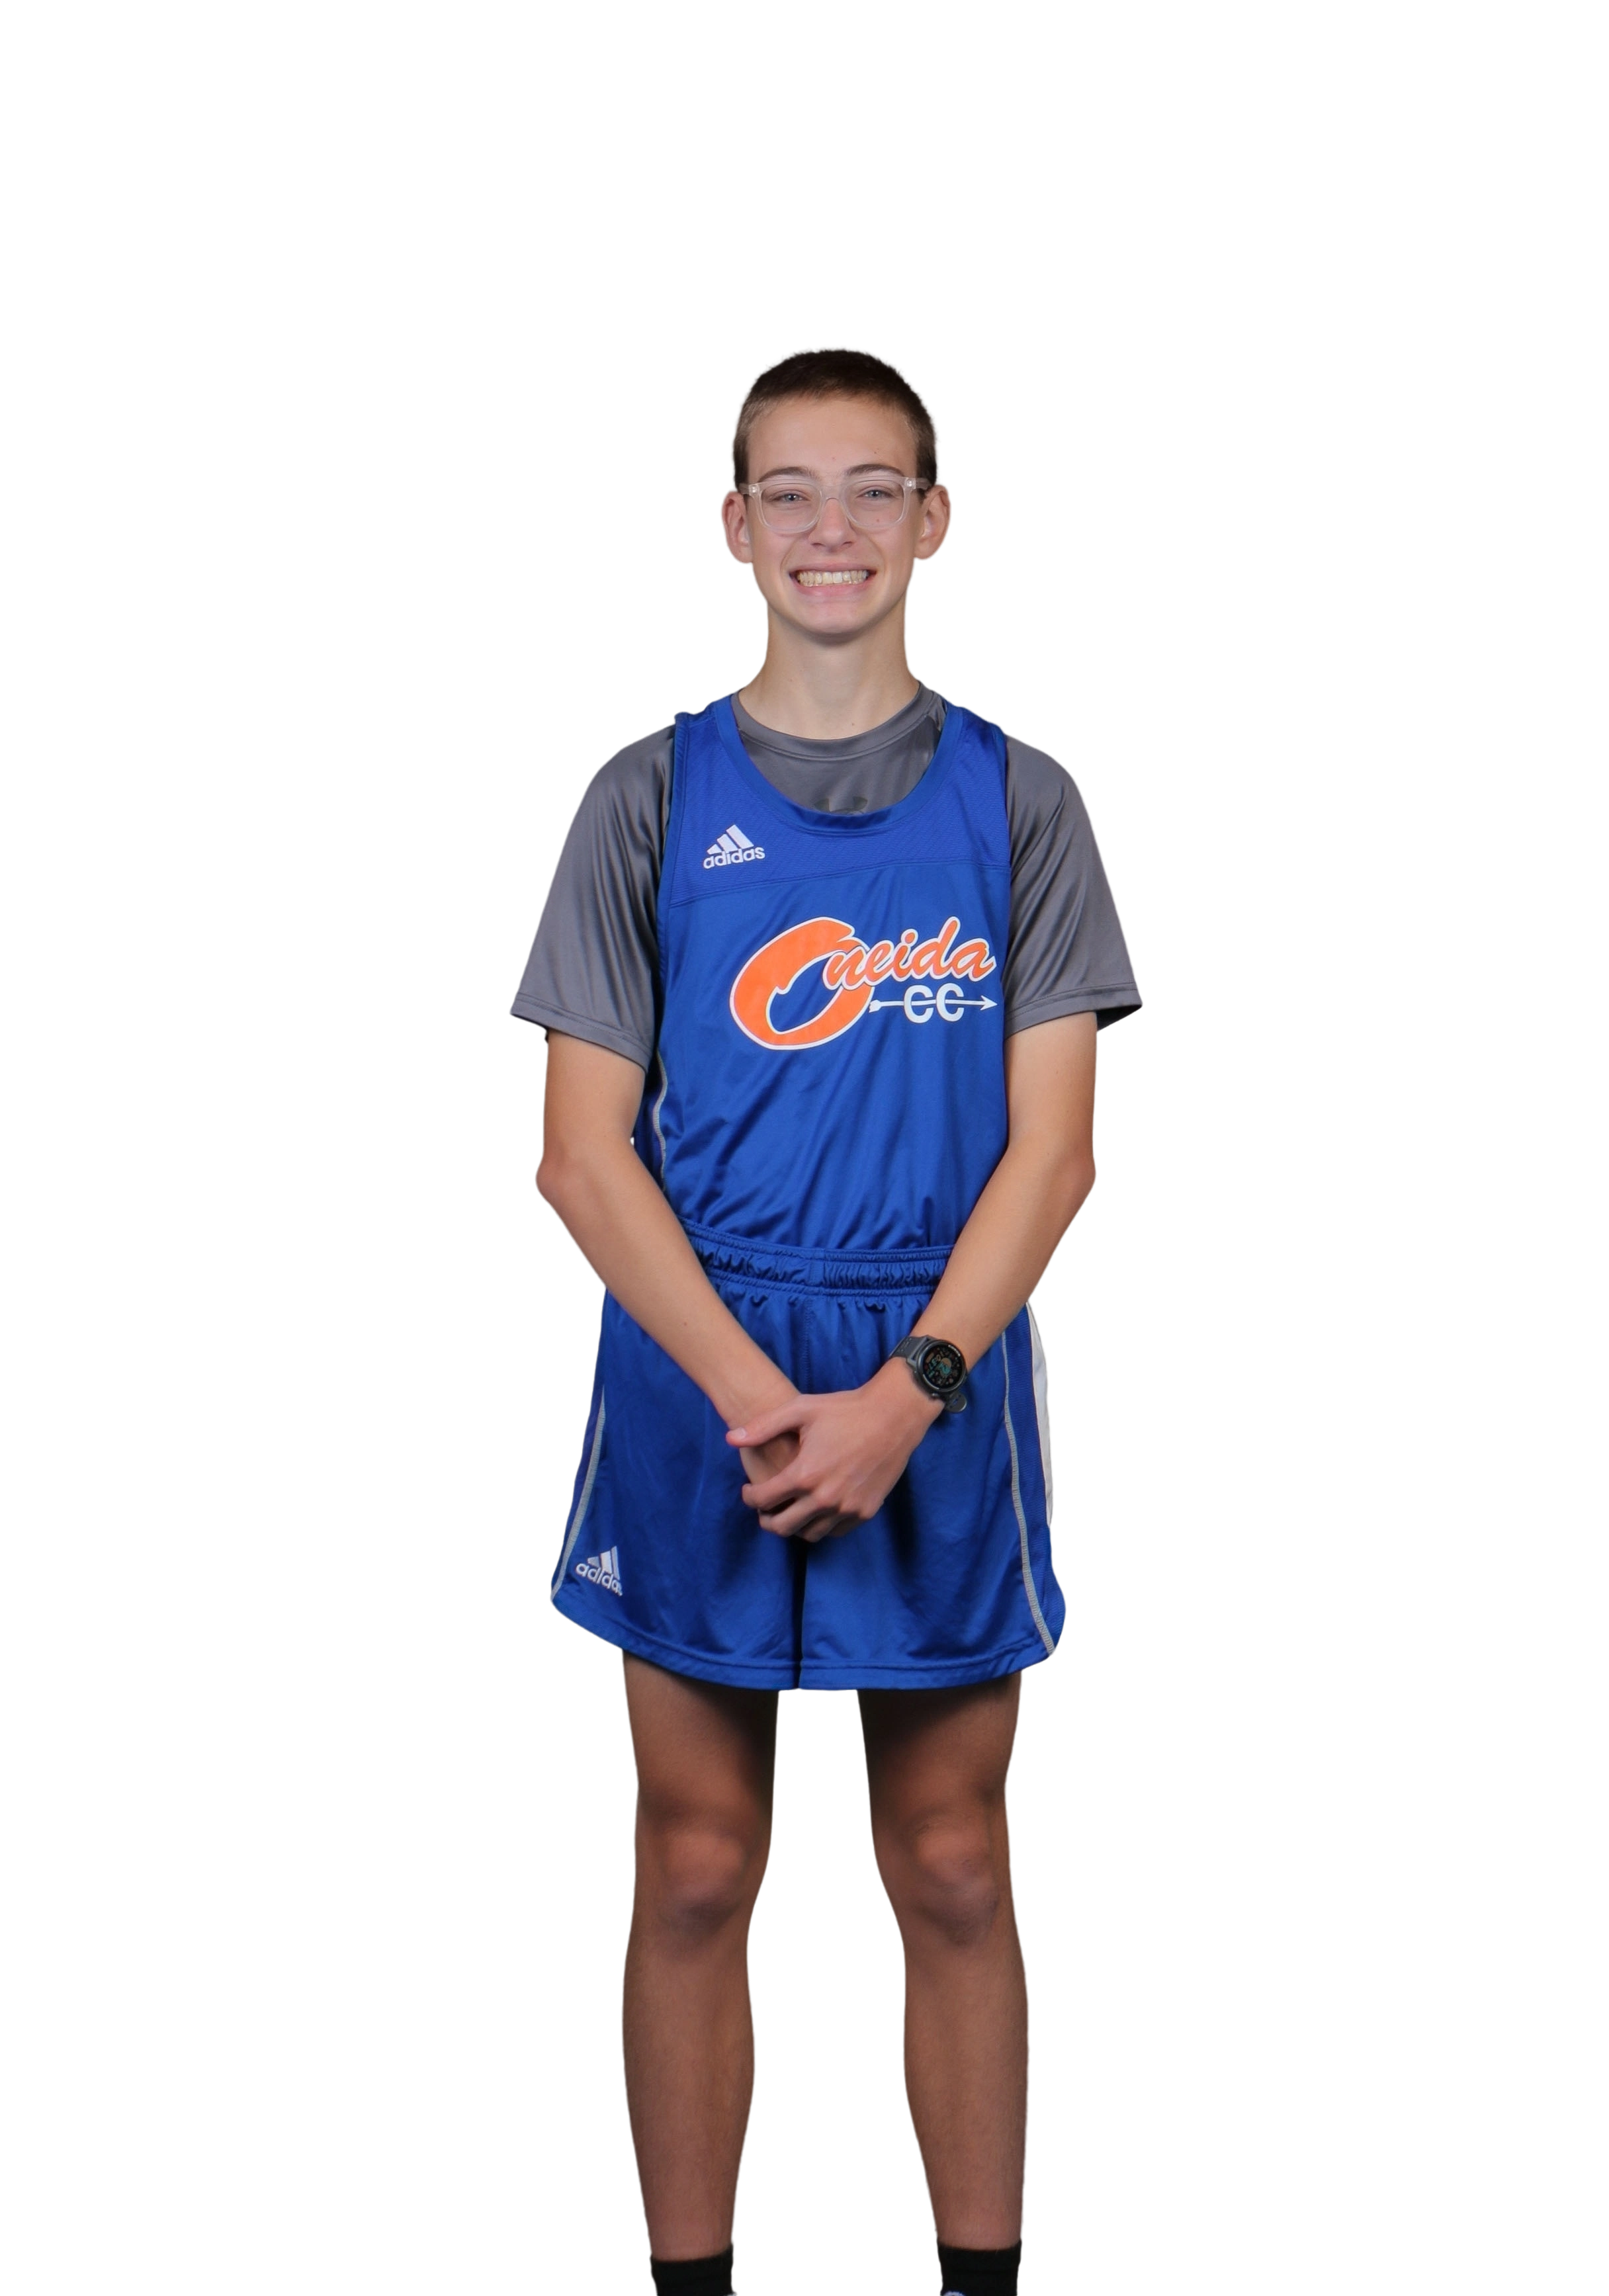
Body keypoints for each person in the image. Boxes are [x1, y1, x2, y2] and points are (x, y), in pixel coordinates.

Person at [509, 344, 1145, 2296]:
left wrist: (904, 1394)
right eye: (789, 490)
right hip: (701, 1367)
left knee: (950, 1859)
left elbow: (1054, 1151)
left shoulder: (1023, 802)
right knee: (699, 1859)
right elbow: (581, 1161)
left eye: (874, 487)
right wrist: (756, 1396)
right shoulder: (646, 796)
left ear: (936, 521)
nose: (832, 527)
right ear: (734, 527)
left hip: (931, 1370)